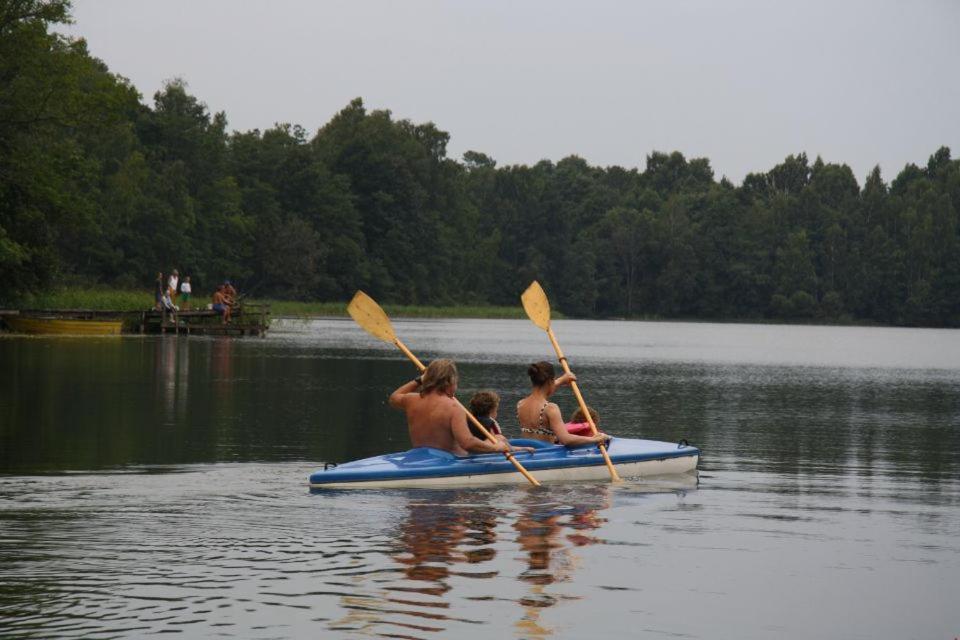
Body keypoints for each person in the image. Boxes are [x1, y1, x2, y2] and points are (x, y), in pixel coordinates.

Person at [388, 359, 530, 456]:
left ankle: (515, 448)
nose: (456, 386)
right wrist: (495, 447)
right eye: (455, 382)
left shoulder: (412, 399)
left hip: (419, 456)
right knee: (499, 439)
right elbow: (467, 443)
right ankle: (517, 449)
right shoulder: (454, 407)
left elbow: (394, 397)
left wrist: (420, 380)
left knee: (497, 439)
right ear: (449, 382)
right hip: (451, 460)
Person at [516, 361, 608, 446]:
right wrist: (594, 439)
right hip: (547, 454)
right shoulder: (550, 408)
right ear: (550, 381)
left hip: (527, 452)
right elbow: (566, 440)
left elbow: (540, 395)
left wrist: (560, 380)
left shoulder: (520, 404)